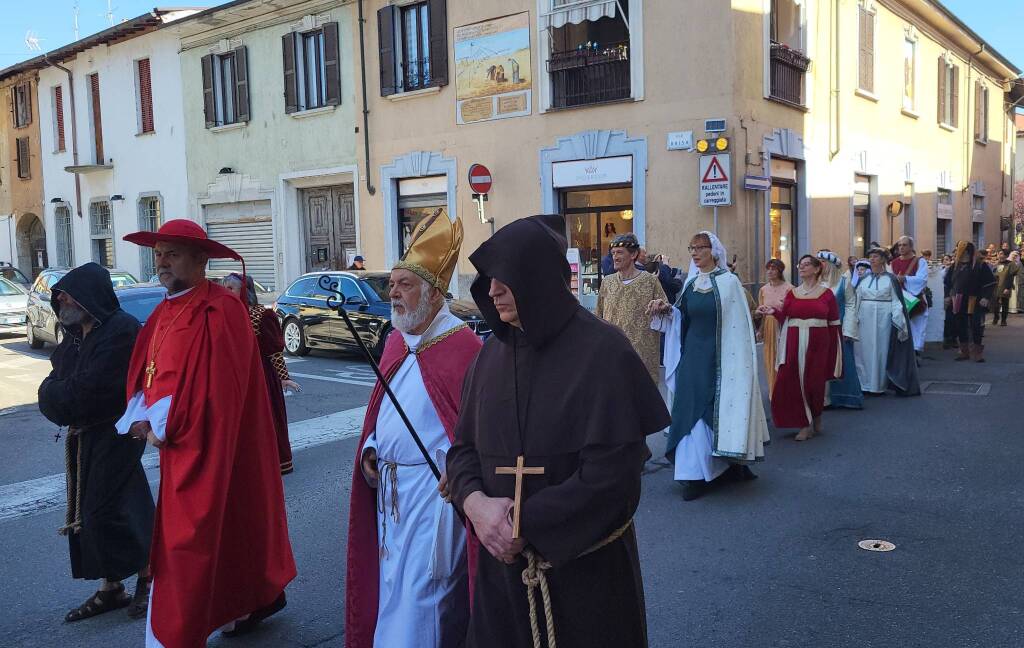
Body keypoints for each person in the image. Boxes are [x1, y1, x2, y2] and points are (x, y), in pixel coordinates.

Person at [447, 214, 669, 648]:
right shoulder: (488, 357)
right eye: (489, 278)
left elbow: (613, 479)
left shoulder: (603, 352)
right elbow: (461, 452)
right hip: (501, 584)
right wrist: (476, 507)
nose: (492, 290)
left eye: (504, 277)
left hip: (583, 584)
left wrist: (520, 523)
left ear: (537, 275)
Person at [115, 219, 296, 646]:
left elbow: (223, 391)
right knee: (217, 535)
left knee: (195, 539)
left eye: (171, 254)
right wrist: (140, 414)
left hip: (211, 445)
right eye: (158, 254)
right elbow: (149, 371)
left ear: (200, 259)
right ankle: (242, 605)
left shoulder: (221, 309)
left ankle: (186, 628)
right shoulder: (164, 309)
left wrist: (167, 427)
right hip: (173, 443)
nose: (161, 262)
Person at [345, 214, 482, 648]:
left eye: (405, 284)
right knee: (391, 587)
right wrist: (370, 447)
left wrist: (461, 471)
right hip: (390, 492)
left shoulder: (464, 348)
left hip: (434, 494)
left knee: (426, 595)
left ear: (435, 293)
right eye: (393, 284)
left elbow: (477, 432)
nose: (394, 293)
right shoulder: (395, 342)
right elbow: (380, 412)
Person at [37, 263, 155, 623]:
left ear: (89, 295)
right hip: (86, 433)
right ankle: (111, 586)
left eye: (67, 293)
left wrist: (54, 393)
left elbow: (88, 391)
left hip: (117, 431)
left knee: (106, 508)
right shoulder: (76, 332)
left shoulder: (120, 330)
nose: (60, 299)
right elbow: (59, 380)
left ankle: (149, 574)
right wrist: (54, 392)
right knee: (101, 509)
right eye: (59, 295)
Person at [650, 231, 769, 502]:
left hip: (722, 358)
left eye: (700, 248)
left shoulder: (729, 283)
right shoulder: (691, 284)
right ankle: (694, 473)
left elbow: (739, 325)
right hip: (692, 357)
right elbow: (681, 316)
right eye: (692, 248)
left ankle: (728, 463)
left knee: (720, 408)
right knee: (691, 407)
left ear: (713, 251)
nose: (694, 253)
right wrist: (666, 310)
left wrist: (737, 363)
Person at [222, 273, 302, 474]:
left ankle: (271, 461)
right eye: (224, 287)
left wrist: (284, 377)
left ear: (244, 291)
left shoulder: (261, 315)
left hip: (260, 375)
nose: (226, 292)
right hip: (232, 377)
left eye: (230, 288)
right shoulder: (223, 315)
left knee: (265, 418)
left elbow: (274, 351)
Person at [762, 255, 842, 441]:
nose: (802, 267)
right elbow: (786, 317)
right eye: (800, 264)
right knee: (793, 380)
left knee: (815, 382)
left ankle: (817, 415)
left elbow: (834, 321)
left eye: (806, 264)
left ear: (816, 269)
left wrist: (835, 353)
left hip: (819, 342)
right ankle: (804, 424)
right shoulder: (793, 293)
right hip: (794, 339)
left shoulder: (826, 294)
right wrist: (774, 312)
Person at [846, 247, 920, 396]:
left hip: (883, 319)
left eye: (875, 256)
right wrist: (853, 319)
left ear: (883, 260)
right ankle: (863, 384)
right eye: (870, 256)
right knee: (862, 351)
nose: (872, 259)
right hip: (864, 319)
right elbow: (856, 299)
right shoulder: (863, 279)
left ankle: (878, 385)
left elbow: (896, 301)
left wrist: (899, 321)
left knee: (880, 350)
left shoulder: (890, 279)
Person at [597, 233, 668, 383]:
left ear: (633, 254)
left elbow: (667, 310)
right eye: (613, 253)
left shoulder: (650, 281)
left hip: (643, 356)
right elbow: (598, 316)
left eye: (619, 252)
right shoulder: (607, 283)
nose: (615, 257)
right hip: (614, 353)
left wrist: (661, 307)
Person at [817, 251, 863, 409]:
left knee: (841, 362)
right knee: (820, 363)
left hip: (838, 328)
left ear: (829, 265)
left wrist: (848, 329)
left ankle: (843, 397)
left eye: (822, 261)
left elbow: (851, 304)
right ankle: (822, 398)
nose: (819, 265)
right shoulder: (815, 283)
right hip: (818, 329)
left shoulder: (844, 282)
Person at [945, 241, 996, 362]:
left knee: (975, 325)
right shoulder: (955, 266)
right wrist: (947, 296)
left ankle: (977, 353)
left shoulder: (979, 265)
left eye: (958, 248)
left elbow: (990, 283)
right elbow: (947, 283)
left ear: (966, 251)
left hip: (974, 299)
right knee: (959, 325)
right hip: (957, 299)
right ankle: (964, 351)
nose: (956, 250)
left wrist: (985, 297)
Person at [757, 258, 793, 396]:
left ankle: (784, 390)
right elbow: (761, 312)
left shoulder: (789, 288)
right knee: (769, 358)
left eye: (774, 269)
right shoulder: (763, 289)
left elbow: (791, 311)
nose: (770, 271)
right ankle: (773, 391)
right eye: (769, 268)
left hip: (783, 325)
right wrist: (760, 329)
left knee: (782, 358)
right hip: (768, 325)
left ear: (780, 271)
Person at [890, 236, 930, 353]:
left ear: (911, 247)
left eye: (904, 245)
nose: (901, 247)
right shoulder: (893, 263)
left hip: (915, 299)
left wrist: (905, 279)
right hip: (898, 299)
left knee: (917, 327)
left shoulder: (919, 261)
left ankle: (915, 352)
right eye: (899, 245)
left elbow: (922, 279)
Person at [991, 249, 1018, 326]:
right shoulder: (997, 264)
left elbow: (1011, 276)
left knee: (1005, 304)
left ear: (1006, 255)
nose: (1000, 255)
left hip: (1005, 286)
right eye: (999, 254)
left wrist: (1008, 287)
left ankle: (1003, 320)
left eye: (1001, 253)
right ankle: (996, 317)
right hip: (996, 286)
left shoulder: (1011, 264)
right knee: (995, 304)